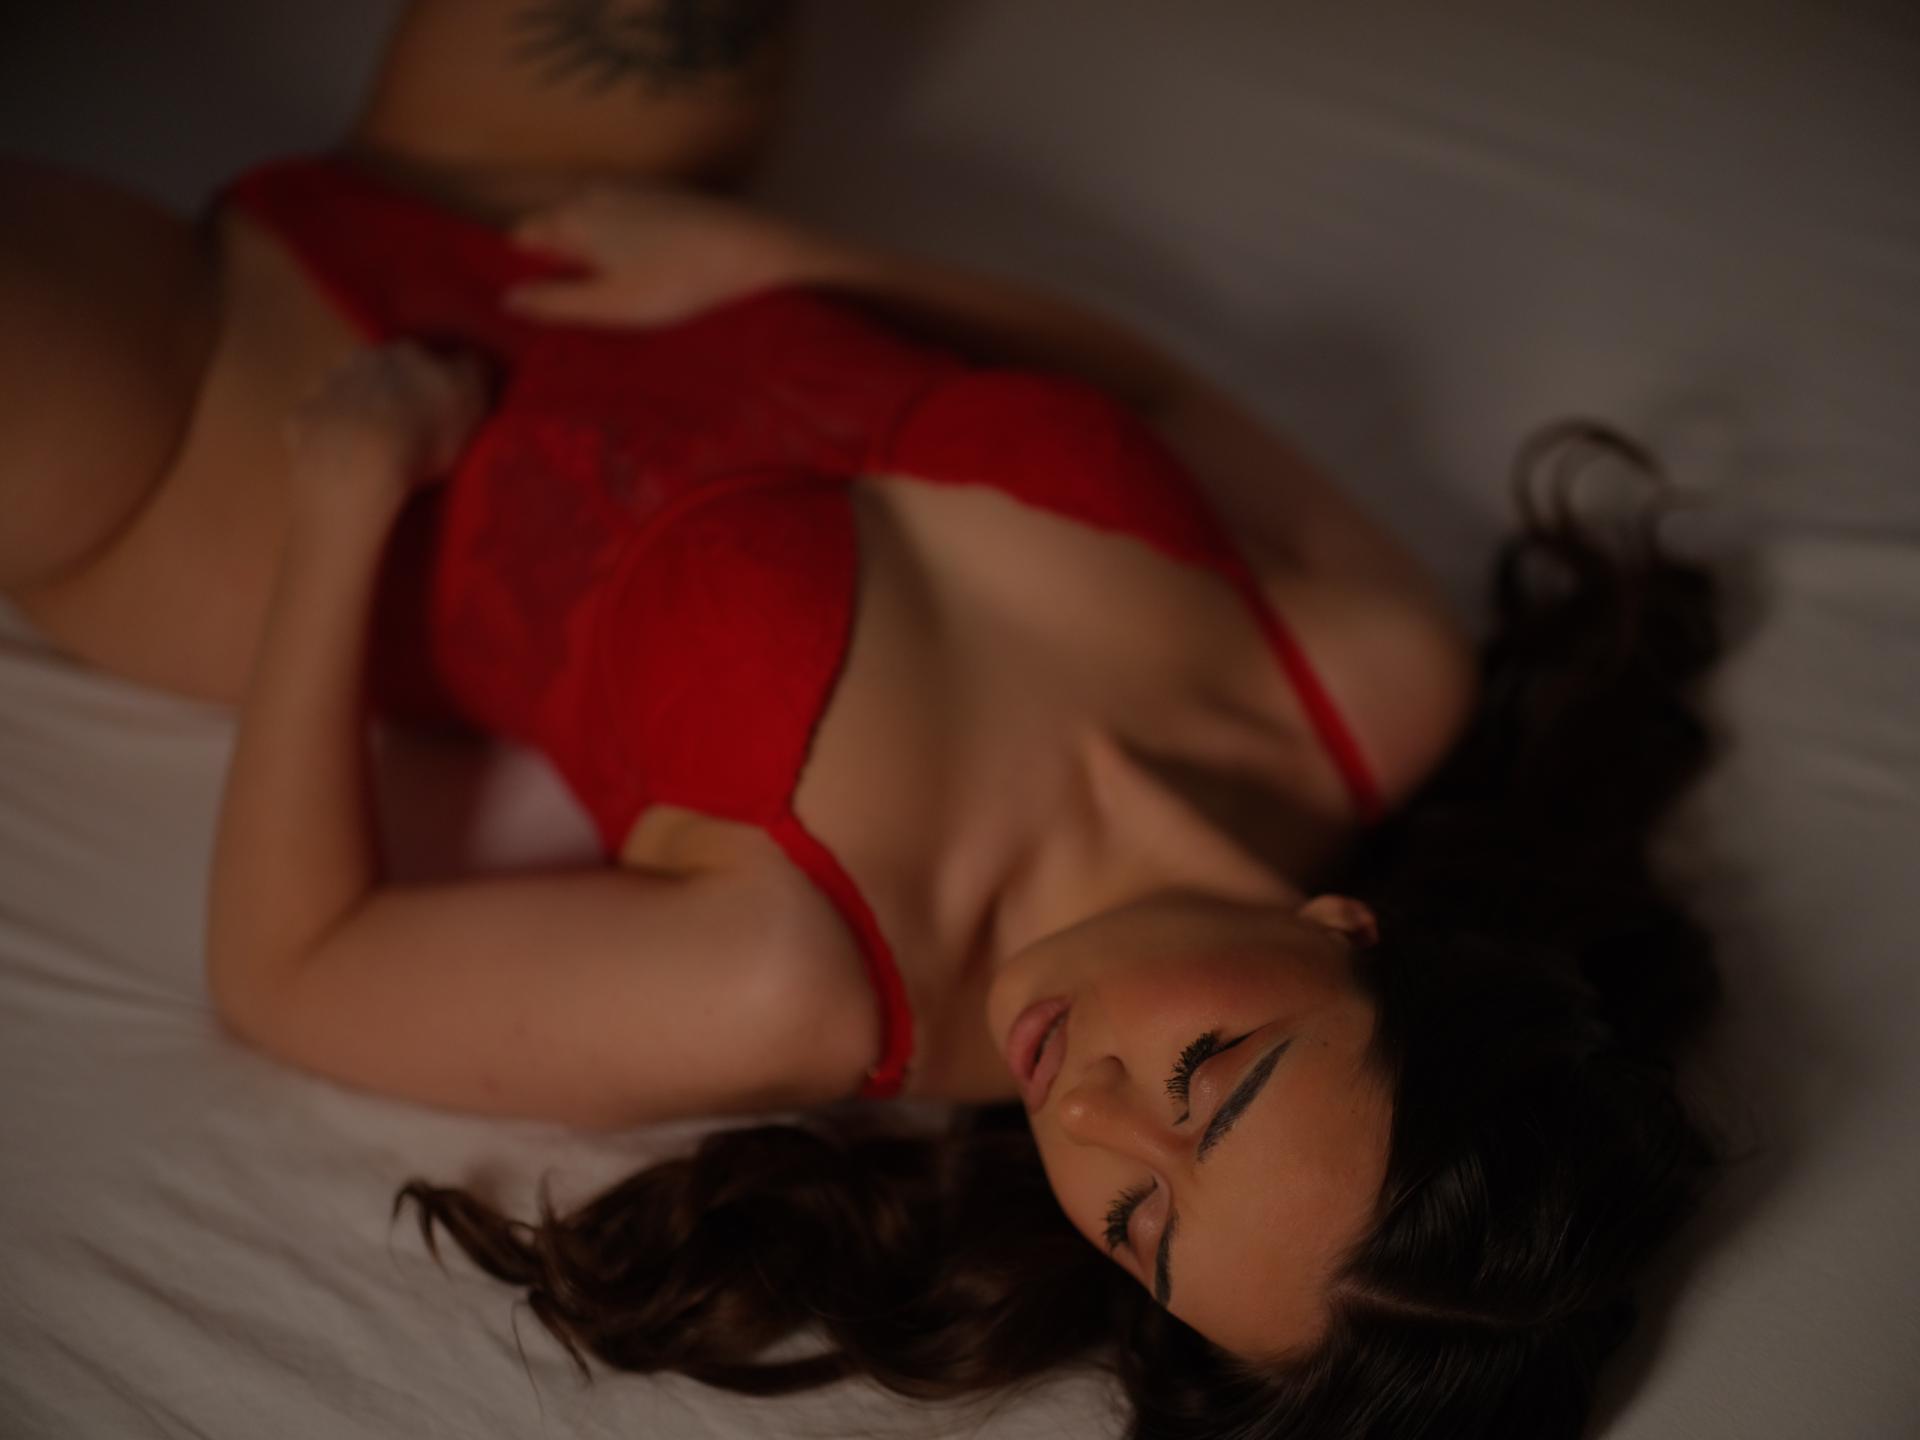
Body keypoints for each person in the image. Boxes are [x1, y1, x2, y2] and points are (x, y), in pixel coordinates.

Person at [0, 2, 1728, 1434]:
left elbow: (293, 968)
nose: (1091, 1118)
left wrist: (342, 504)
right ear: (1352, 933)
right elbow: (1147, 385)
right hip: (581, 182)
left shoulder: (810, 978)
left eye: (1139, 1225)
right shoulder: (1368, 677)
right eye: (1210, 1078)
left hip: (238, 431)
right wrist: (786, 255)